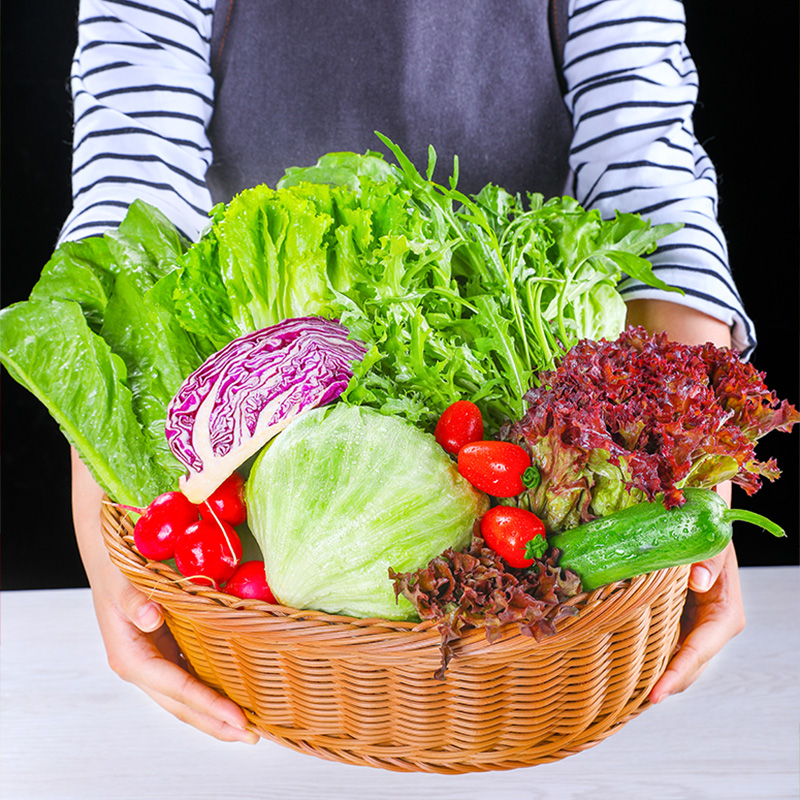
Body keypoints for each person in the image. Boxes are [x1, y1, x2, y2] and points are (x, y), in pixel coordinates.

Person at [65, 0, 753, 744]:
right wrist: (104, 465)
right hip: (257, 417)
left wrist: (689, 453)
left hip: (523, 393)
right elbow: (132, 167)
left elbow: (646, 170)